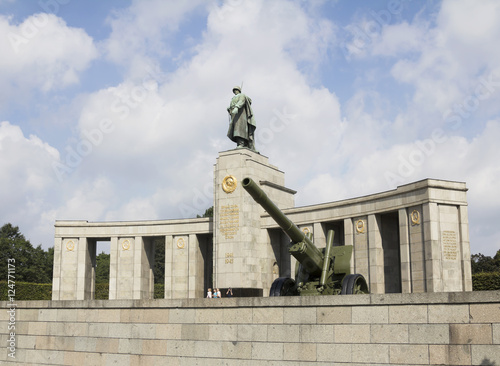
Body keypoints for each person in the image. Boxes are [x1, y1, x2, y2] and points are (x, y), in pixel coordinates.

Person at [227, 86, 257, 152]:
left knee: (239, 128)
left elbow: (241, 101)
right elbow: (232, 105)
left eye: (236, 90)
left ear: (239, 90)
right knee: (235, 129)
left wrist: (237, 107)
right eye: (234, 90)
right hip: (234, 115)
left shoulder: (242, 95)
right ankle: (240, 143)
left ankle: (241, 143)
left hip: (241, 114)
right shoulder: (233, 98)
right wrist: (229, 108)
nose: (235, 91)